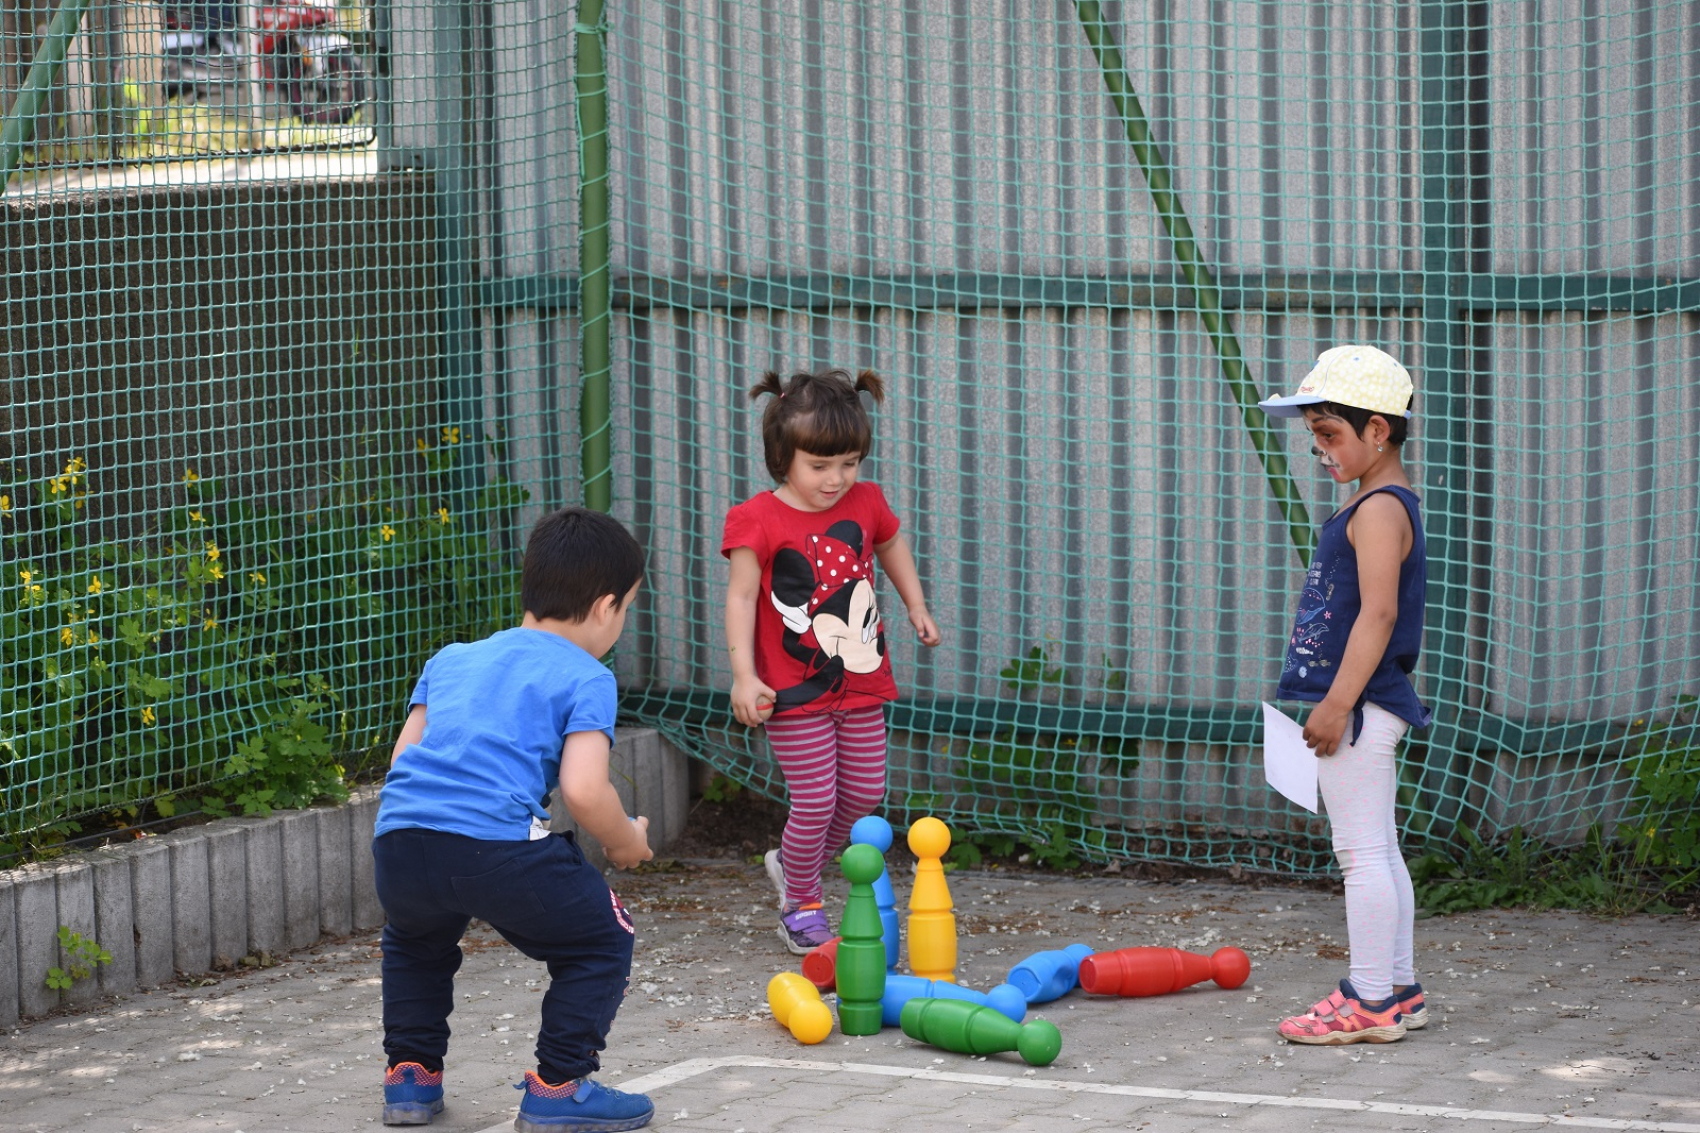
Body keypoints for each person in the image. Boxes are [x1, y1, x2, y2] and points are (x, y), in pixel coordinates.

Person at [372, 506, 656, 1130]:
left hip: (400, 840)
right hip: (493, 848)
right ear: (606, 606)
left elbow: (402, 760)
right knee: (602, 937)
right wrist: (625, 841)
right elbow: (584, 790)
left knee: (415, 943)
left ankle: (411, 1078)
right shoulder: (587, 676)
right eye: (628, 608)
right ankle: (560, 1085)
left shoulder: (452, 659)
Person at [721, 366, 942, 954]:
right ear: (782, 456)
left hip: (861, 679)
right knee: (816, 799)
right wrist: (744, 676)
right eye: (820, 465)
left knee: (864, 793)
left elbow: (890, 543)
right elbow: (741, 597)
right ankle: (801, 902)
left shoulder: (866, 501)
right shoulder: (756, 517)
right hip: (791, 690)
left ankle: (792, 866)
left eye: (849, 463)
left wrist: (916, 604)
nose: (837, 478)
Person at [1259, 345, 1433, 1046]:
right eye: (1315, 437)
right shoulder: (1372, 502)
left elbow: (1379, 613)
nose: (1321, 450)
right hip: (1365, 703)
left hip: (1360, 707)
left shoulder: (1382, 509)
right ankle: (1399, 988)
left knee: (1360, 853)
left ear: (1378, 430)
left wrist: (1336, 703)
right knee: (1380, 849)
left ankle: (1369, 999)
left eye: (1330, 433)